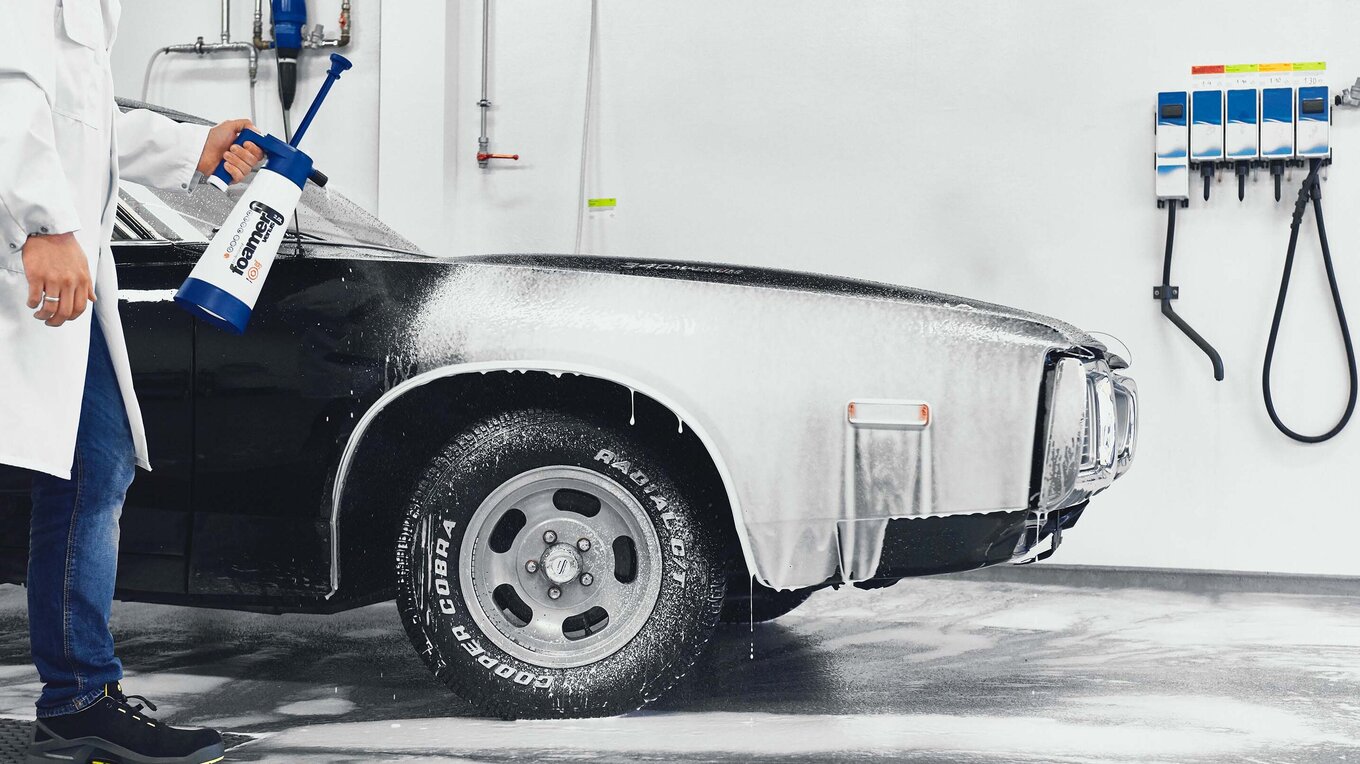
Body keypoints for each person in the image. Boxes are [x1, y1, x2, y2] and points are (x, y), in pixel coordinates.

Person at [1, 2, 264, 761]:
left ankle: (80, 697)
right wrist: (45, 224)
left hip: (56, 267)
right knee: (93, 464)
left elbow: (84, 121)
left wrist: (194, 145)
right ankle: (79, 695)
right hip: (32, 252)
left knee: (96, 462)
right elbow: (8, 90)